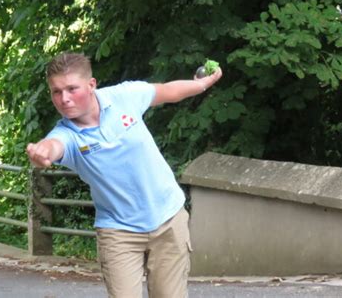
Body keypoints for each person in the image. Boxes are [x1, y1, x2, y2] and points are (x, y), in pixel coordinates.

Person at [26, 52, 222, 298]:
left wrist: (201, 83)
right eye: (56, 91)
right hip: (118, 232)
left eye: (71, 89)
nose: (64, 99)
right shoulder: (67, 134)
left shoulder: (124, 97)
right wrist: (43, 151)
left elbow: (168, 91)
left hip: (168, 219)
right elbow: (54, 145)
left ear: (91, 84)